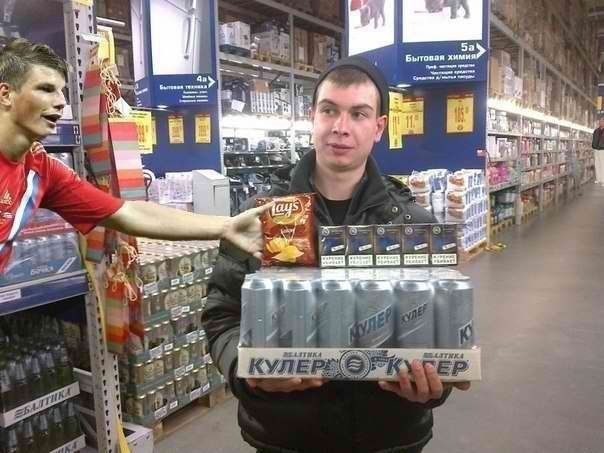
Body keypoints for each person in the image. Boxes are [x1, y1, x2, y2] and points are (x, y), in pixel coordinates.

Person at [203, 55, 471, 453]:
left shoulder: (413, 226)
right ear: (312, 117)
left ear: (379, 127)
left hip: (389, 437)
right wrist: (248, 373)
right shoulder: (260, 218)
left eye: (359, 114)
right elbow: (221, 314)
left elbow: (442, 331)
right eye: (329, 110)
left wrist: (435, 387)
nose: (340, 127)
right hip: (285, 437)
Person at [0, 38, 270, 272]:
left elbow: (128, 213)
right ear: (6, 94)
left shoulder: (41, 170)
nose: (61, 101)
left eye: (62, 91)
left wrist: (226, 226)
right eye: (46, 89)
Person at [591, 116, 604, 185]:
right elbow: (594, 139)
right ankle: (598, 179)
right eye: (600, 121)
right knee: (597, 164)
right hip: (596, 149)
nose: (601, 122)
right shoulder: (596, 130)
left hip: (603, 149)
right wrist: (593, 145)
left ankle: (603, 180)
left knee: (602, 164)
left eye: (602, 121)